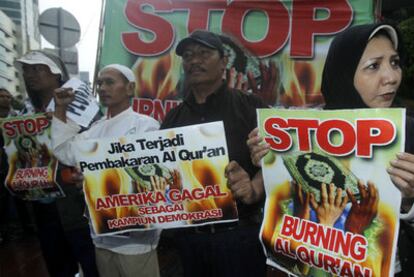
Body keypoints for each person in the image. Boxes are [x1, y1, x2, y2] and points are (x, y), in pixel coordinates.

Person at [248, 22, 414, 276]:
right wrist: (268, 163)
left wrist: (409, 203)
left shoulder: (408, 132)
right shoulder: (302, 130)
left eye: (394, 62)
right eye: (374, 66)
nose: (391, 76)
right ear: (343, 73)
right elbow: (281, 223)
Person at [160, 29, 267, 277]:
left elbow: (276, 159)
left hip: (239, 237)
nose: (194, 60)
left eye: (204, 53)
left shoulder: (251, 107)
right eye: (188, 55)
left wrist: (255, 188)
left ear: (224, 62)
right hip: (187, 240)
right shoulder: (172, 119)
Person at [51, 64, 161, 277]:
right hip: (101, 235)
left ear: (130, 88)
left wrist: (93, 175)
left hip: (136, 238)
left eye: (110, 82)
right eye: (99, 83)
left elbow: (146, 174)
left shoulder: (146, 126)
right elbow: (64, 152)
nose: (102, 88)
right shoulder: (95, 130)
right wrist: (60, 109)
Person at [15, 50, 99, 277]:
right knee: (57, 265)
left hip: (78, 202)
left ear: (56, 75)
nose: (30, 75)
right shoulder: (25, 112)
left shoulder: (84, 107)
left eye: (37, 69)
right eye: (26, 70)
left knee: (92, 263)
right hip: (43, 205)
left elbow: (96, 148)